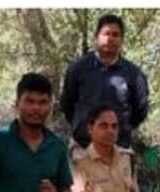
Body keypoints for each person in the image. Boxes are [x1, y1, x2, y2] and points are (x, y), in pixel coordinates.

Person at [59, 13, 150, 150]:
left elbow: (140, 110)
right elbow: (67, 104)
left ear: (121, 40)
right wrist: (82, 126)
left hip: (119, 149)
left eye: (115, 35)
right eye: (106, 34)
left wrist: (122, 128)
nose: (110, 38)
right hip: (83, 148)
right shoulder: (78, 68)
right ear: (96, 37)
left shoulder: (134, 74)